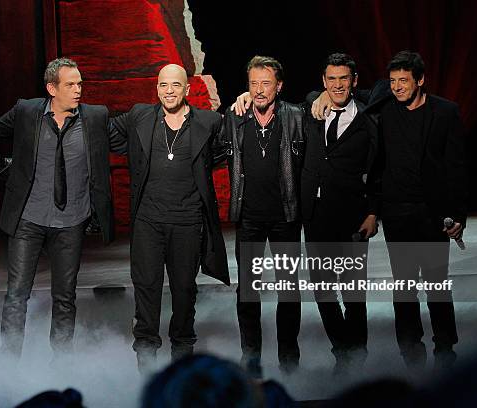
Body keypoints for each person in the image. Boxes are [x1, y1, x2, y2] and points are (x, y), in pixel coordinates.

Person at [0, 57, 115, 358]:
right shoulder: (27, 111)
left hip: (71, 222)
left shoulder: (94, 117)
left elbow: (130, 131)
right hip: (28, 219)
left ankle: (61, 362)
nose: (78, 90)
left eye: (80, 84)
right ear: (51, 88)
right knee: (17, 294)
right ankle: (8, 362)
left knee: (65, 296)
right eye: (70, 84)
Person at [108, 64, 229, 371]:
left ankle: (182, 365)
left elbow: (229, 145)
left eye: (176, 85)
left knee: (185, 293)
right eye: (164, 85)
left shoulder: (208, 121)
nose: (169, 91)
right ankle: (146, 366)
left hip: (188, 223)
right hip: (148, 223)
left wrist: (242, 98)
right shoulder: (141, 116)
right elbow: (104, 130)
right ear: (157, 88)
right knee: (146, 290)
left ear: (187, 89)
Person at [373, 51, 466, 371]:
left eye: (404, 81)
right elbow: (342, 91)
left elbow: (457, 167)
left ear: (420, 80)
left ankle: (445, 348)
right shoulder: (383, 108)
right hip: (397, 211)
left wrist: (458, 216)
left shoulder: (445, 112)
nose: (397, 87)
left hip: (433, 213)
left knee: (437, 283)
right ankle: (410, 349)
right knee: (404, 285)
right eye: (393, 81)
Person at [224, 56, 305, 378]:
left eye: (266, 83)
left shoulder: (297, 117)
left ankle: (289, 357)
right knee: (248, 291)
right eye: (253, 84)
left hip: (285, 217)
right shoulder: (235, 118)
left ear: (279, 86)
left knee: (288, 289)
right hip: (249, 218)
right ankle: (251, 357)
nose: (259, 90)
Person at [301, 53, 379, 374]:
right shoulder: (312, 110)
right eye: (331, 79)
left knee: (352, 290)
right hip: (316, 215)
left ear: (354, 81)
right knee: (322, 289)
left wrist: (374, 212)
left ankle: (356, 352)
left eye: (343, 79)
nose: (337, 85)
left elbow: (378, 171)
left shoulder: (369, 119)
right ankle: (343, 349)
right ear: (323, 81)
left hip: (352, 216)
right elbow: (300, 99)